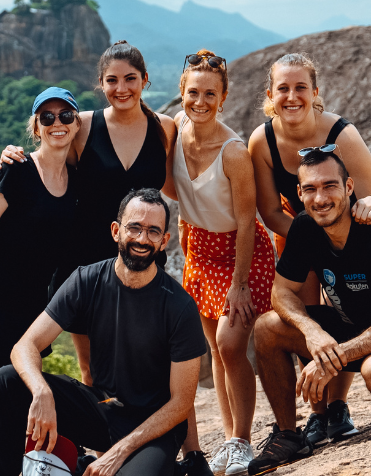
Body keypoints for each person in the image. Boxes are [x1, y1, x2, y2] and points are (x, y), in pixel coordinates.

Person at [0, 188, 209, 476]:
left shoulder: (179, 306)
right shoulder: (86, 280)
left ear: (164, 242)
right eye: (134, 227)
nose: (141, 239)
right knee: (8, 381)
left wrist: (118, 453)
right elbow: (24, 347)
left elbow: (181, 403)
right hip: (102, 410)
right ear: (116, 231)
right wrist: (41, 393)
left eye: (153, 232)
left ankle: (165, 470)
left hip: (154, 428)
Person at [246, 150, 371, 476]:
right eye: (310, 189)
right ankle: (287, 435)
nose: (321, 197)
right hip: (353, 327)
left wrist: (334, 357)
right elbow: (281, 292)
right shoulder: (304, 227)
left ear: (349, 186)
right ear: (299, 193)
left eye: (330, 186)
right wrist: (312, 331)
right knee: (268, 327)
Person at [0, 41, 178, 387]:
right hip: (87, 263)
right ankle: (103, 442)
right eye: (112, 80)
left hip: (143, 258)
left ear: (145, 80)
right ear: (100, 82)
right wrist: (12, 154)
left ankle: (159, 439)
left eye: (130, 79)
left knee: (151, 357)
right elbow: (46, 159)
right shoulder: (82, 126)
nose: (121, 89)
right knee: (92, 369)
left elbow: (172, 185)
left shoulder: (164, 127)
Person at [246, 52, 371, 447]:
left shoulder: (341, 135)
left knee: (342, 313)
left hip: (348, 238)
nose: (292, 96)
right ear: (270, 94)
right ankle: (316, 413)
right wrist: (309, 241)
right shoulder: (261, 141)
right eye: (283, 88)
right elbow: (268, 211)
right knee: (300, 321)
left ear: (315, 93)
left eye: (301, 88)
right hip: (296, 232)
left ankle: (337, 408)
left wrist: (362, 215)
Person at [0, 87, 82, 476]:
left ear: (76, 123)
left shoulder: (74, 181)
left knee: (13, 415)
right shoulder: (16, 170)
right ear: (36, 127)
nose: (57, 123)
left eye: (65, 116)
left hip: (33, 319)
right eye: (47, 117)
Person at [164, 50, 276, 476]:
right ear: (181, 93)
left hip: (239, 253)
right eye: (193, 92)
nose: (200, 101)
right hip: (199, 250)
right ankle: (229, 438)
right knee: (214, 350)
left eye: (210, 93)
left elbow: (247, 222)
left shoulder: (233, 152)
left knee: (231, 346)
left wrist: (241, 284)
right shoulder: (175, 131)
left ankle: (242, 442)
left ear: (223, 97)